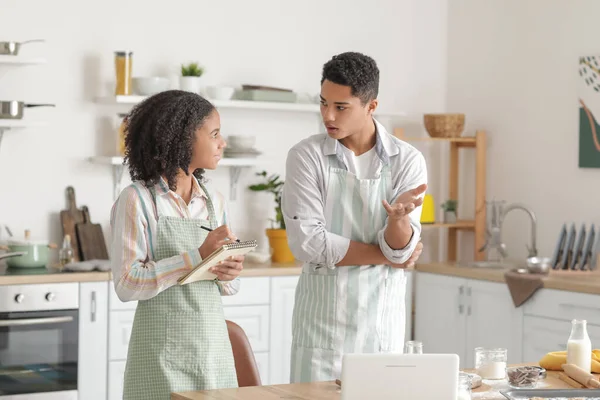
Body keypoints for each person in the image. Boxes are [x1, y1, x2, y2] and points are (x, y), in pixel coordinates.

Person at [282, 52, 427, 383]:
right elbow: (308, 243)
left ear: (371, 106)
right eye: (323, 104)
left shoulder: (406, 160)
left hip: (381, 326)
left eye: (341, 107)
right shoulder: (306, 156)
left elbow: (402, 248)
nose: (327, 115)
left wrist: (397, 223)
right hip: (321, 329)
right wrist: (388, 257)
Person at [109, 90, 244, 399]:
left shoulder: (215, 202)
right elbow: (127, 283)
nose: (222, 142)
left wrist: (230, 271)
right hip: (160, 358)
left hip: (212, 353)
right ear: (183, 138)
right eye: (214, 134)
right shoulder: (137, 199)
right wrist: (196, 256)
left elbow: (228, 288)